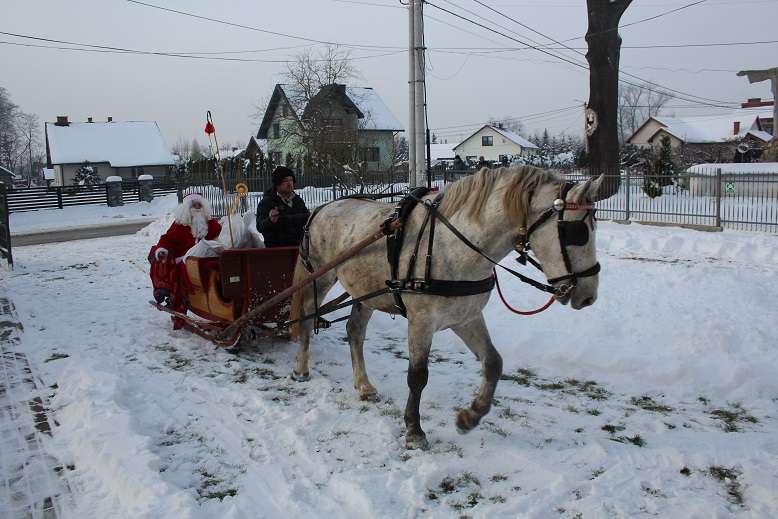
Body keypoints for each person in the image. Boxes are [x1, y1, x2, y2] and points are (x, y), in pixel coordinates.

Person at [148, 193, 222, 324]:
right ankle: (180, 302)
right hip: (184, 260)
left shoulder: (210, 223)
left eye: (199, 205)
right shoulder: (180, 224)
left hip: (206, 258)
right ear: (187, 208)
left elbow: (220, 233)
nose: (197, 208)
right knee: (185, 270)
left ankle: (218, 301)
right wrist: (162, 249)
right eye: (194, 205)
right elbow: (167, 239)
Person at [256, 165, 310, 248]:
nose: (290, 183)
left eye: (291, 180)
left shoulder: (298, 201)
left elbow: (307, 221)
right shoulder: (267, 203)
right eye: (285, 181)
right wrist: (270, 221)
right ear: (277, 184)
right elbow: (260, 226)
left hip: (300, 249)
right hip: (278, 251)